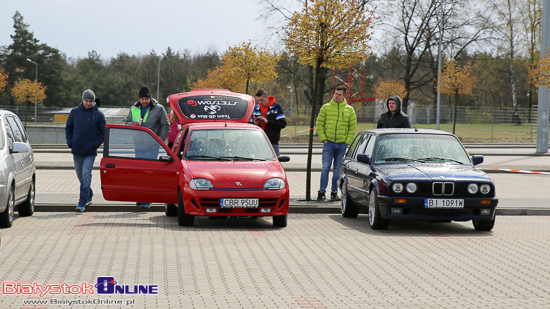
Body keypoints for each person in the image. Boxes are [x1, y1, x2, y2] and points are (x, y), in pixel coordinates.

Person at [124, 85, 170, 209]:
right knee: (139, 172)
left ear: (150, 98)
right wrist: (131, 124)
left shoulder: (159, 108)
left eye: (146, 99)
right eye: (142, 99)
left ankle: (147, 199)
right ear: (139, 99)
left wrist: (158, 140)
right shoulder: (133, 108)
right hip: (138, 145)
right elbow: (126, 122)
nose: (144, 101)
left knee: (149, 172)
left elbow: (166, 126)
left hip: (152, 146)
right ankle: (141, 196)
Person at [65, 89, 106, 212]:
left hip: (90, 152)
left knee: (86, 176)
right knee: (80, 176)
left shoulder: (99, 115)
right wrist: (70, 142)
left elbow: (103, 133)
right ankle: (88, 195)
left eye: (91, 101)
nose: (88, 103)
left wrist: (94, 144)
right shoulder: (74, 112)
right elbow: (68, 128)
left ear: (94, 101)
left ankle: (82, 202)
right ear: (82, 100)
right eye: (86, 101)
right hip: (77, 150)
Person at [316, 85, 357, 201]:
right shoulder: (326, 108)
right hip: (328, 143)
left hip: (341, 145)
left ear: (344, 96)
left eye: (339, 94)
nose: (336, 96)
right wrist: (323, 138)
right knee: (325, 168)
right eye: (335, 94)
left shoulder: (349, 109)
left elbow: (352, 127)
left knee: (338, 169)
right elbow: (319, 123)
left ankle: (334, 192)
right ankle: (321, 192)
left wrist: (347, 142)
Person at [250, 89, 287, 156]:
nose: (260, 102)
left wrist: (267, 121)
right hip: (258, 143)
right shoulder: (257, 108)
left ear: (267, 97)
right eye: (258, 100)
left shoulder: (276, 107)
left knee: (274, 164)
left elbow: (282, 124)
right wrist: (255, 124)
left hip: (272, 143)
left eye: (261, 100)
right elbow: (250, 123)